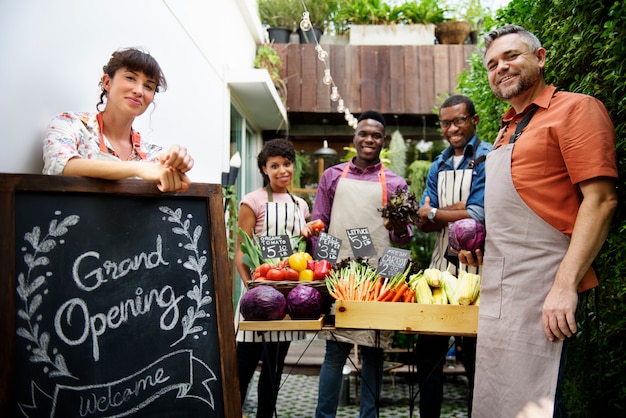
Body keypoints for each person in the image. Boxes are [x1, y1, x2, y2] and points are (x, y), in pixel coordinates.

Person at [461, 25, 618, 417]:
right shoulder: (504, 130)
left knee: (539, 401)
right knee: (501, 400)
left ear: (541, 57)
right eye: (492, 64)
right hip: (501, 290)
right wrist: (484, 250)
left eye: (512, 56)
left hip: (546, 288)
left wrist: (564, 287)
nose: (501, 68)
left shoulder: (577, 108)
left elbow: (600, 201)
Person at [312, 110, 412, 418]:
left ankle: (369, 416)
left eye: (376, 135)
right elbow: (320, 225)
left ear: (383, 141)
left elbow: (404, 239)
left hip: (380, 273)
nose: (369, 139)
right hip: (341, 274)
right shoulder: (332, 176)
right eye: (364, 133)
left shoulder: (396, 183)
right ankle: (324, 416)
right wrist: (325, 270)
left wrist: (397, 224)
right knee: (334, 353)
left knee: (374, 352)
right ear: (355, 137)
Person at [415, 95, 491, 418]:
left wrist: (434, 210)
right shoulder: (438, 164)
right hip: (438, 269)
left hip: (477, 269)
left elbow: (478, 213)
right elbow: (424, 224)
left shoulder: (489, 158)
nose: (452, 128)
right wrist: (444, 213)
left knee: (476, 358)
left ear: (473, 120)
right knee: (429, 356)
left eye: (459, 120)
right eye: (446, 123)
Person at [234, 138, 318, 418]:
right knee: (243, 367)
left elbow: (300, 254)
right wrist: (252, 291)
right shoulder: (252, 201)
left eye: (287, 164)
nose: (282, 170)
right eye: (274, 166)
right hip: (257, 300)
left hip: (285, 301)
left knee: (273, 370)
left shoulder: (301, 205)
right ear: (264, 169)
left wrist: (307, 237)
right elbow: (240, 253)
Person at [42, 47, 193, 192]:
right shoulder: (70, 124)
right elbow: (61, 166)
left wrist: (176, 163)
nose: (139, 91)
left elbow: (173, 181)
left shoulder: (152, 155)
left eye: (148, 86)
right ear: (107, 82)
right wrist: (139, 169)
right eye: (130, 78)